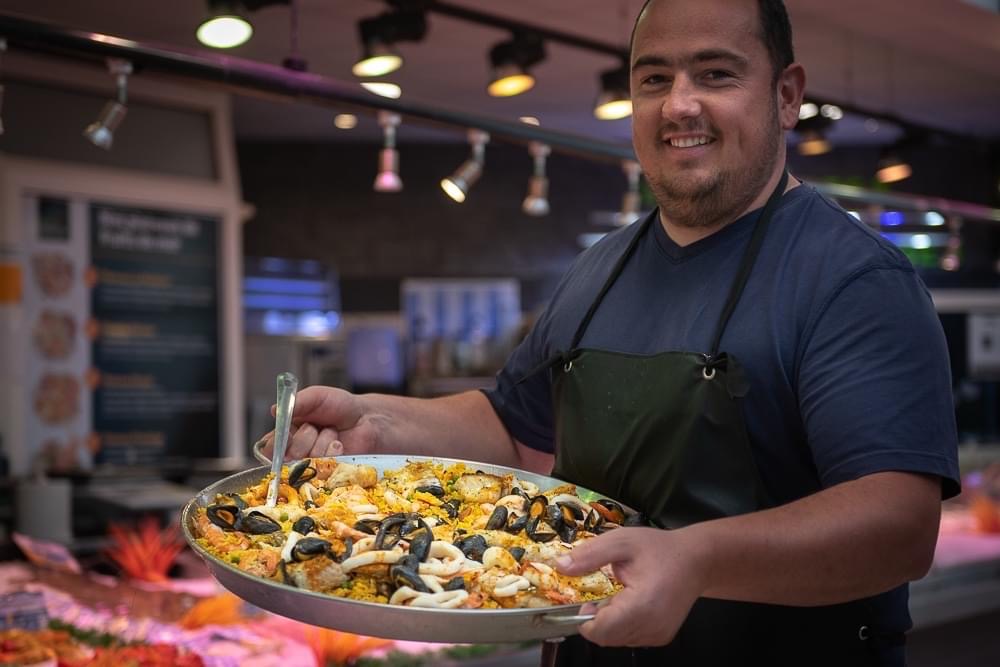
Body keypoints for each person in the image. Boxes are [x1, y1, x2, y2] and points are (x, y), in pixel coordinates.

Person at [258, 0, 960, 663]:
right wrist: (377, 424)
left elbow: (898, 526)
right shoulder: (599, 269)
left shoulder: (853, 279)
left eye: (715, 74)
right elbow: (514, 429)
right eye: (655, 78)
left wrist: (695, 558)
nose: (679, 103)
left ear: (784, 95)